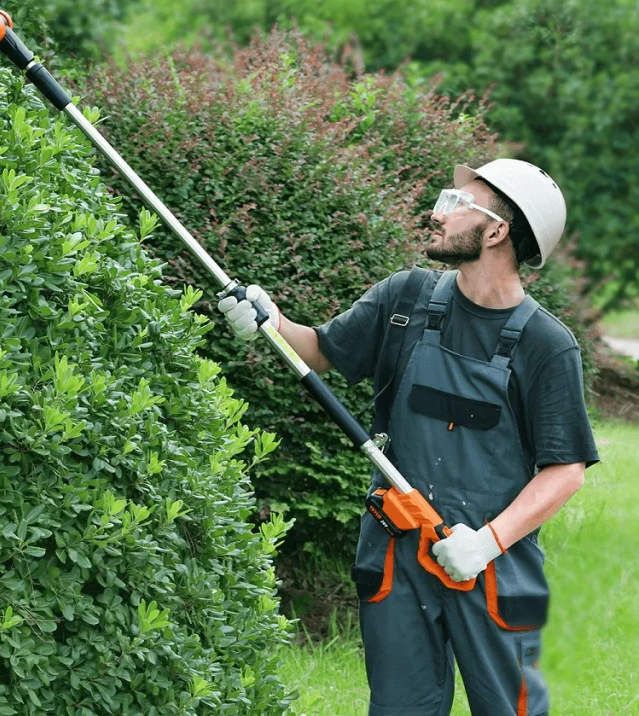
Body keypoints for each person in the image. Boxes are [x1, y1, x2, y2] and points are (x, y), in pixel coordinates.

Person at [218, 159, 600, 716]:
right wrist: (270, 321)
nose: (435, 213)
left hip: (490, 567)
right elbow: (321, 351)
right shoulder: (407, 300)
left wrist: (486, 543)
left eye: (455, 202)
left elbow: (565, 470)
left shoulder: (546, 344)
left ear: (496, 231)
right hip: (399, 553)